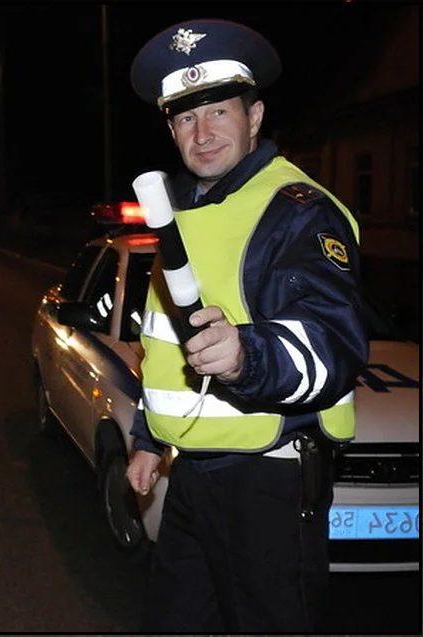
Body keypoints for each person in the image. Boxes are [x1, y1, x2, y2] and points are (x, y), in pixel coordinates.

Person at [124, 18, 368, 632]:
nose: (201, 135)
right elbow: (165, 346)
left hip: (269, 482)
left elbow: (335, 340)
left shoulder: (297, 213)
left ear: (254, 117)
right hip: (194, 474)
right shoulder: (188, 211)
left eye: (218, 113)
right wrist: (150, 439)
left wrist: (246, 357)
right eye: (184, 119)